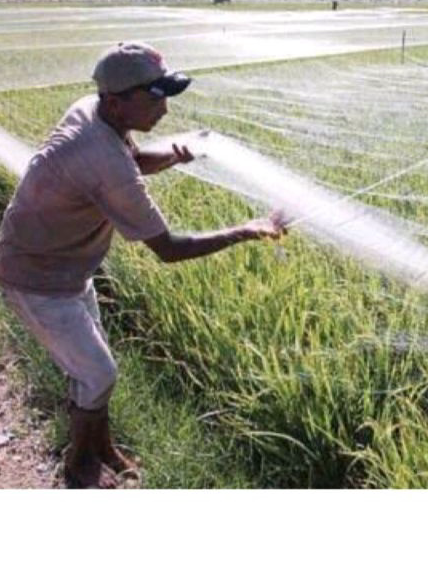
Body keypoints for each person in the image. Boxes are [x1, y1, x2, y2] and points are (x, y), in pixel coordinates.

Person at [0, 41, 287, 488]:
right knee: (99, 372)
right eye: (155, 97)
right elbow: (168, 248)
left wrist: (176, 152)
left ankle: (102, 447)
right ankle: (79, 465)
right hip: (36, 277)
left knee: (92, 371)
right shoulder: (100, 159)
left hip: (67, 265)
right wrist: (246, 229)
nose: (165, 110)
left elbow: (132, 159)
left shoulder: (96, 111)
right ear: (117, 101)